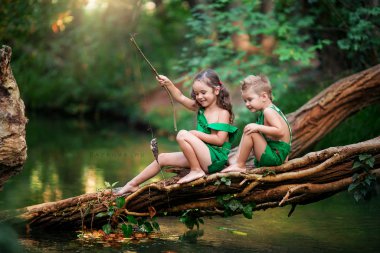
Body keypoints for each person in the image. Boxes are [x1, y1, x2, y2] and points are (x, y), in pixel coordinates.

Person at [116, 69, 237, 195]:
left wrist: (195, 134)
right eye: (196, 94)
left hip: (214, 160)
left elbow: (219, 140)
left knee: (182, 134)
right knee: (162, 158)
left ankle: (196, 170)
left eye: (203, 92)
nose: (199, 97)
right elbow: (180, 97)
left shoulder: (222, 113)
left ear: (216, 90)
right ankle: (132, 184)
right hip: (203, 155)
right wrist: (169, 84)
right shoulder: (201, 108)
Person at [222, 75, 291, 172]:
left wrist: (258, 127)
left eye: (250, 99)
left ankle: (239, 164)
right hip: (277, 156)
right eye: (245, 101)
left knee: (252, 130)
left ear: (264, 96)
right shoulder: (270, 110)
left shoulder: (268, 112)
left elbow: (280, 131)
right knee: (250, 128)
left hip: (275, 158)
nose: (247, 104)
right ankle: (236, 159)